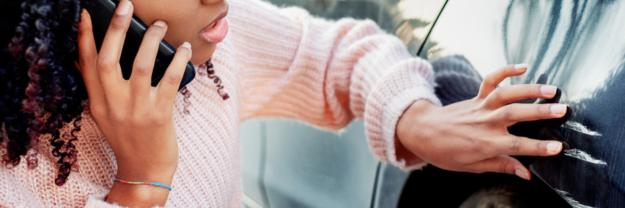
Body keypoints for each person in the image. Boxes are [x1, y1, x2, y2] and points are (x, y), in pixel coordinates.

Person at [0, 0, 568, 207]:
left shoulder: (212, 40)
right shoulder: (15, 173)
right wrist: (142, 183)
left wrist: (414, 118)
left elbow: (336, 54)